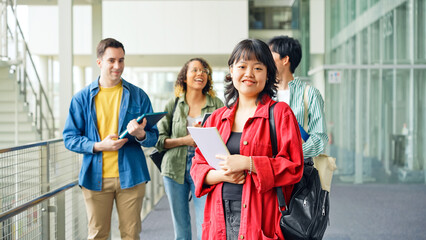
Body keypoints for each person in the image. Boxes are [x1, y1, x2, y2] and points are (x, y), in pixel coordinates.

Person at [190, 39, 304, 239]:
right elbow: (198, 166)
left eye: (258, 68)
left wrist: (249, 163)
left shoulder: (280, 114)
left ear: (268, 73)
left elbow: (294, 167)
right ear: (232, 70)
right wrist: (222, 176)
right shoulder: (216, 118)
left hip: (260, 217)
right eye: (242, 66)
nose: (249, 74)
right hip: (219, 217)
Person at [63, 38, 158, 240]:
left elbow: (153, 138)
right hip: (95, 178)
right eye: (111, 60)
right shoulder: (81, 99)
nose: (117, 66)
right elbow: (69, 138)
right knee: (97, 235)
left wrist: (140, 134)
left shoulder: (138, 96)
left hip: (131, 176)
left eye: (121, 60)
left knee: (131, 235)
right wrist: (99, 145)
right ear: (99, 62)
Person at [155, 58, 224, 240]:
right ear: (184, 77)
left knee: (206, 224)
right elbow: (159, 140)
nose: (200, 74)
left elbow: (225, 137)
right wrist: (185, 140)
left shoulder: (217, 104)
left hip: (206, 169)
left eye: (204, 71)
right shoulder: (174, 105)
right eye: (194, 70)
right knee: (181, 229)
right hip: (174, 169)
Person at [268, 35, 328, 160]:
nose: (265, 59)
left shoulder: (310, 94)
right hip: (267, 169)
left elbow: (319, 139)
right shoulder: (264, 94)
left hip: (298, 171)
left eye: (270, 54)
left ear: (285, 59)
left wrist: (289, 155)